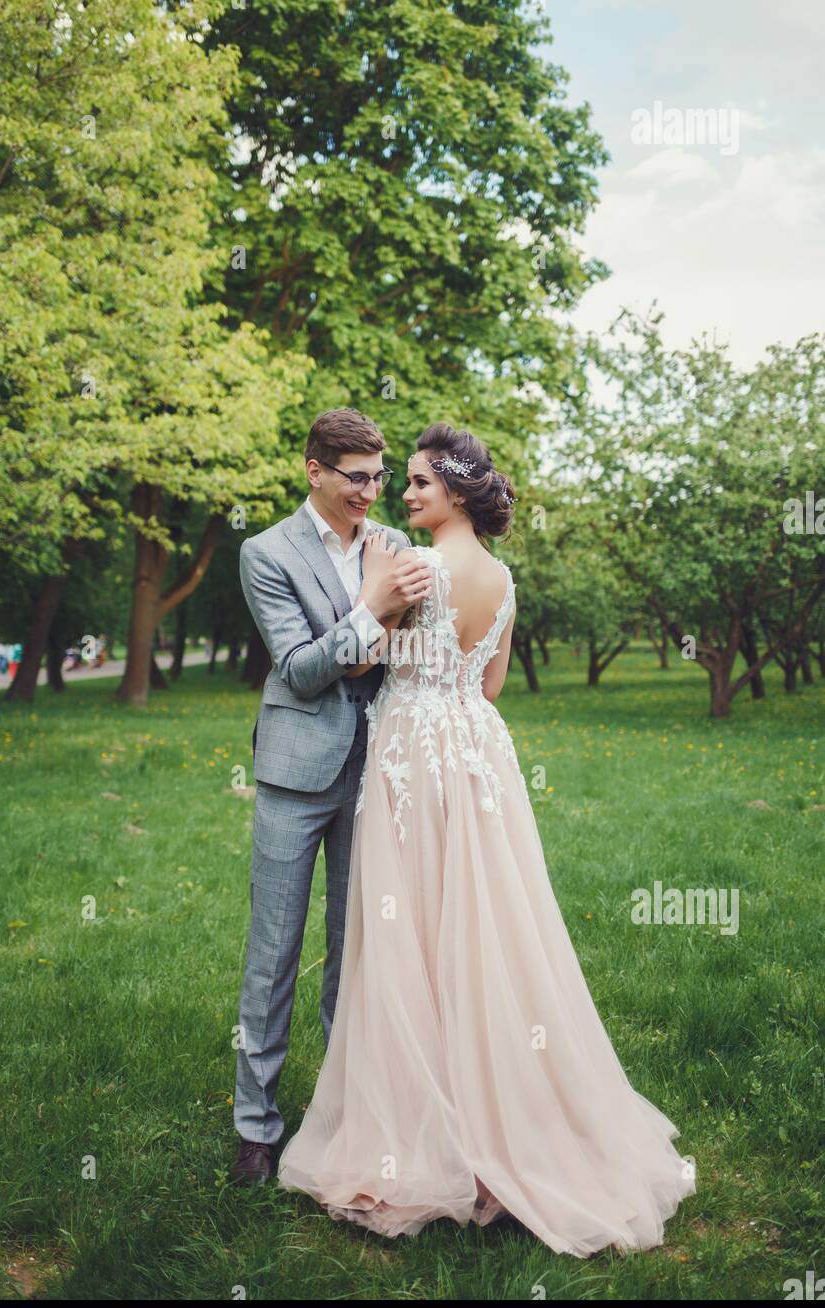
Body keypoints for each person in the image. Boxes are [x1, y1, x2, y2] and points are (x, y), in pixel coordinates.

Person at [275, 422, 697, 1257]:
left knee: (407, 935)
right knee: (490, 929)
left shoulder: (410, 569)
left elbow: (363, 665)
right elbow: (493, 683)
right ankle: (508, 1113)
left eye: (421, 484)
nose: (406, 494)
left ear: (457, 494)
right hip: (475, 757)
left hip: (410, 757)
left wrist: (388, 638)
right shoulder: (503, 579)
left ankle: (420, 1136)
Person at [229, 408, 434, 1186]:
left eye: (380, 477)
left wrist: (365, 637)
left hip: (378, 767)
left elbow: (402, 657)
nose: (372, 492)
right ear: (313, 469)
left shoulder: (397, 546)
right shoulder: (265, 552)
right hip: (293, 773)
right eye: (357, 477)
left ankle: (348, 1116)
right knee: (273, 952)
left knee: (358, 949)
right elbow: (301, 668)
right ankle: (255, 1126)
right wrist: (374, 609)